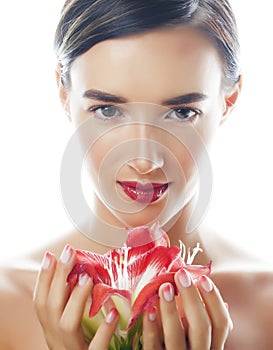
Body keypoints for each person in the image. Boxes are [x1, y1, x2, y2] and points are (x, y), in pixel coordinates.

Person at [0, 0, 272, 349]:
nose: (144, 159)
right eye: (108, 109)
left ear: (228, 100)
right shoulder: (7, 305)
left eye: (182, 112)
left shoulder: (268, 309)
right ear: (64, 92)